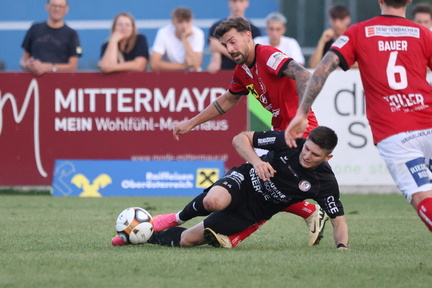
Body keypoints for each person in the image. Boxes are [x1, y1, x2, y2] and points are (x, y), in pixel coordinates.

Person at [168, 17, 328, 248]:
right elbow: (228, 100)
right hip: (281, 132)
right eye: (225, 45)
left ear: (248, 36)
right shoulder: (242, 71)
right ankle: (309, 211)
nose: (230, 49)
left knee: (267, 188)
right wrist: (192, 123)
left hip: (302, 131)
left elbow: (304, 75)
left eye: (233, 42)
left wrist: (301, 115)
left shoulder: (268, 56)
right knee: (268, 186)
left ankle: (236, 234)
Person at [285, 0, 432, 234]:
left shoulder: (359, 32)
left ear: (379, 0)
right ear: (409, 1)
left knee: (423, 196)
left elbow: (321, 70)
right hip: (429, 122)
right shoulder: (424, 33)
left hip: (396, 133)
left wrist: (302, 112)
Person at [113, 127, 349, 249]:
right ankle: (175, 218)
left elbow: (339, 220)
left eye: (315, 154)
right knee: (213, 201)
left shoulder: (324, 183)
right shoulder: (289, 142)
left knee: (187, 241)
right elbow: (240, 138)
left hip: (254, 212)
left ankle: (141, 236)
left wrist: (341, 248)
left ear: (328, 157)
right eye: (306, 148)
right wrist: (257, 163)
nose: (306, 155)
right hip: (244, 181)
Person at [20, 0, 82, 76]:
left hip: (60, 84)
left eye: (61, 7)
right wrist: (27, 65)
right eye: (54, 6)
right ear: (47, 7)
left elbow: (73, 66)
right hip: (34, 82)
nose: (57, 9)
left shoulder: (72, 34)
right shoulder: (34, 29)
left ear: (66, 10)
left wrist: (50, 68)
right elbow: (23, 61)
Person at [207, 0, 261, 73]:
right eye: (234, 1)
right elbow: (215, 52)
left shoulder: (254, 30)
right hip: (223, 73)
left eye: (241, 1)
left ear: (247, 3)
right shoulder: (216, 27)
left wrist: (220, 48)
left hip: (246, 74)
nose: (237, 5)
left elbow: (249, 57)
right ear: (229, 3)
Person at [150, 7, 204, 71]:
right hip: (170, 76)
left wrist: (185, 40)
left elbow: (196, 66)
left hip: (192, 77)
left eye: (187, 21)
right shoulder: (163, 33)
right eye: (180, 22)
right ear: (173, 22)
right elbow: (154, 64)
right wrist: (183, 66)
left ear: (192, 21)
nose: (184, 26)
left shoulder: (198, 33)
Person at [308, 4, 351, 69]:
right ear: (330, 20)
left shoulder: (354, 38)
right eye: (334, 19)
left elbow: (360, 63)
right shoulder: (326, 39)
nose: (337, 24)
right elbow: (313, 65)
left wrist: (330, 66)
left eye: (341, 19)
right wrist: (321, 42)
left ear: (348, 20)